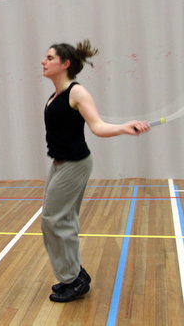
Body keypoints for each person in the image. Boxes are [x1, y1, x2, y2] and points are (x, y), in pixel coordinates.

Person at [40, 40, 150, 302]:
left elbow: (98, 127)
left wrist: (124, 127)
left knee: (55, 221)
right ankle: (74, 274)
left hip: (75, 164)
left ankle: (74, 280)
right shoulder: (55, 95)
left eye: (49, 58)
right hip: (58, 163)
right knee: (54, 221)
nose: (43, 61)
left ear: (65, 64)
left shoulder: (77, 93)